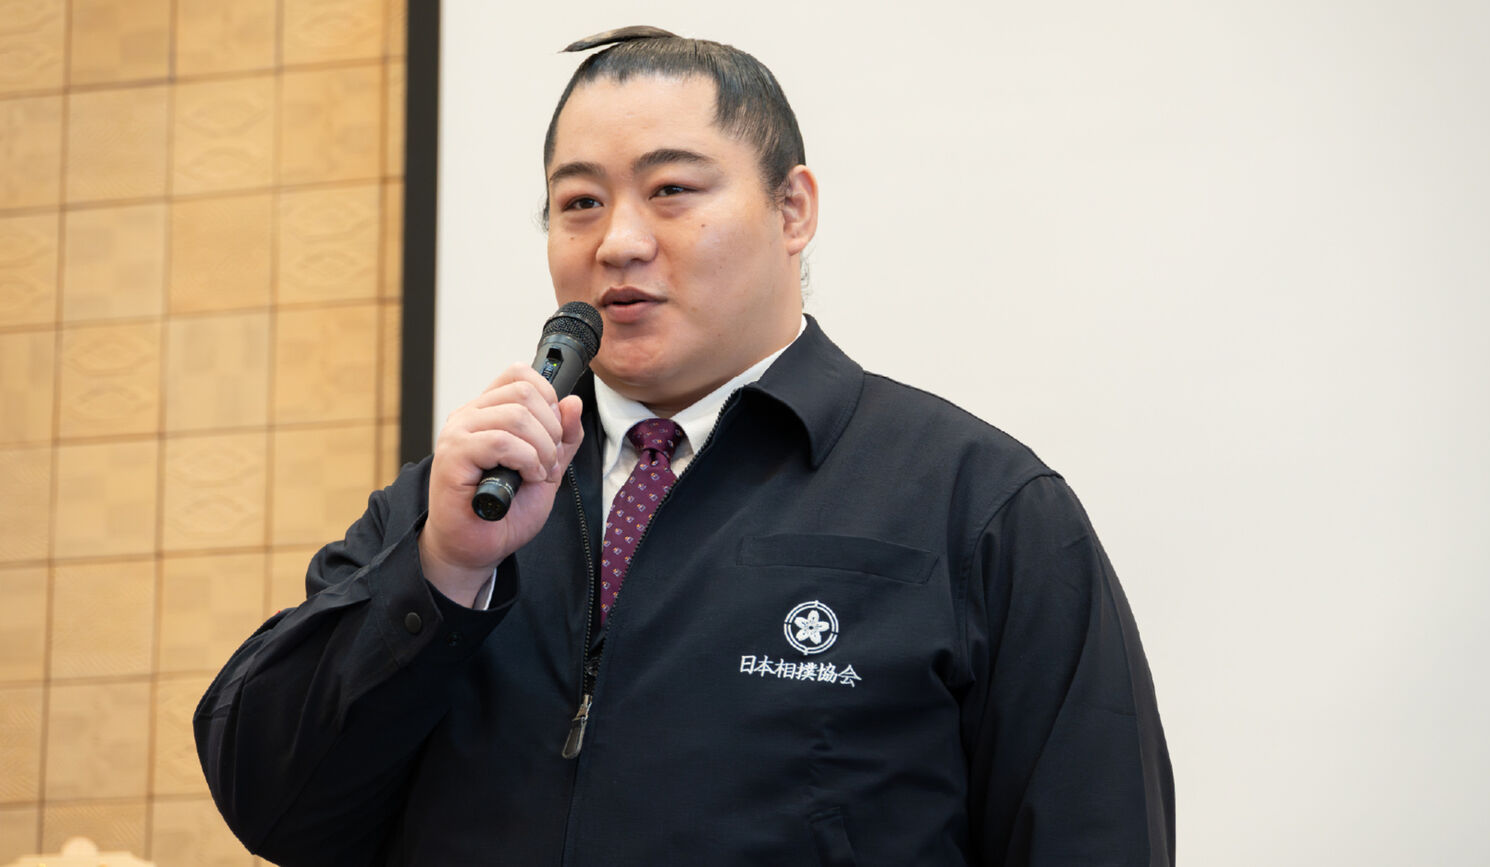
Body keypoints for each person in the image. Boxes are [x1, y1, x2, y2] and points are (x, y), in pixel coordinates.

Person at [195, 26, 1174, 866]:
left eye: (669, 190)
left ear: (792, 209)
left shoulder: (979, 505)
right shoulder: (463, 504)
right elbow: (278, 808)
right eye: (578, 203)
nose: (617, 241)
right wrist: (441, 573)